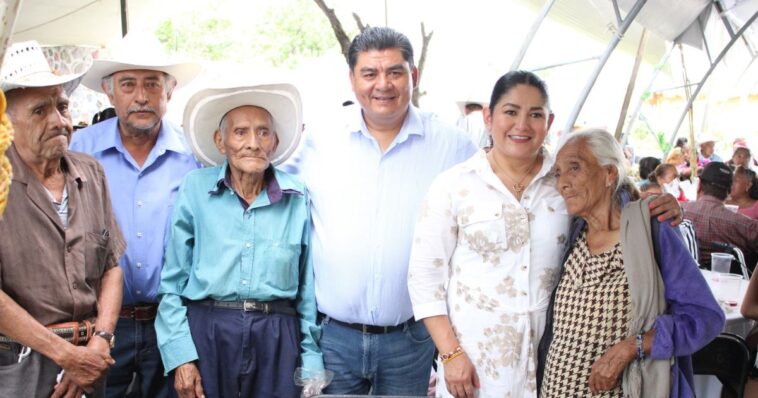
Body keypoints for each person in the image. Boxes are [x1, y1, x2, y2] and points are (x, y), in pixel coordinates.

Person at [406, 71, 682, 398]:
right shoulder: (454, 185)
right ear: (488, 116)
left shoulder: (567, 179)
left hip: (553, 369)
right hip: (476, 370)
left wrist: (664, 206)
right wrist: (451, 354)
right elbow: (424, 277)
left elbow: (617, 206)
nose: (522, 124)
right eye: (511, 112)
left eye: (535, 114)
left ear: (549, 122)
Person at [281, 26, 478, 395]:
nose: (382, 84)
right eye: (370, 73)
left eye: (395, 72)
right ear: (352, 79)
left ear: (413, 76)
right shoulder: (318, 140)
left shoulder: (452, 146)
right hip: (333, 339)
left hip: (410, 340)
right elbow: (266, 186)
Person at [156, 84, 325, 397]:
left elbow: (305, 289)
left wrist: (311, 357)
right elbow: (172, 283)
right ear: (221, 141)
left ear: (274, 141)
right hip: (208, 331)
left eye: (263, 133)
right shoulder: (195, 188)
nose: (253, 143)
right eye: (241, 132)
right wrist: (180, 356)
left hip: (276, 335)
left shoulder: (296, 195)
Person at [538, 129, 724, 397]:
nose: (562, 183)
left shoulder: (650, 232)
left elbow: (705, 317)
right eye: (558, 173)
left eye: (574, 168)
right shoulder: (570, 232)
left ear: (609, 173)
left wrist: (634, 346)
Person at [69, 33, 202, 398]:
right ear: (109, 93)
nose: (141, 96)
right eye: (128, 84)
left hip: (174, 321)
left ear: (170, 92)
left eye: (152, 84)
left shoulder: (193, 154)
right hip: (100, 325)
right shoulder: (79, 150)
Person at [0, 40, 125, 398]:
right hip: (19, 363)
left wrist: (100, 340)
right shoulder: (1, 182)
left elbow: (112, 267)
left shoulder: (91, 172)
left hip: (90, 355)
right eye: (40, 110)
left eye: (62, 106)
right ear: (6, 121)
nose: (58, 121)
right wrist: (63, 354)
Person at [683, 162, 758, 267]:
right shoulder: (743, 224)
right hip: (732, 280)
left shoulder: (679, 211)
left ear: (699, 185)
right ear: (729, 191)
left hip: (685, 276)